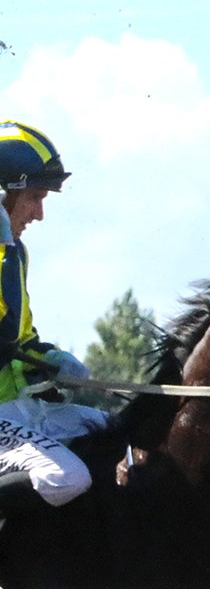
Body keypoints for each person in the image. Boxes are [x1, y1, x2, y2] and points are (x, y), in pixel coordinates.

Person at [0, 121, 106, 523]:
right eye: (34, 198)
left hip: (19, 409)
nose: (40, 214)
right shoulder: (9, 253)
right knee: (65, 477)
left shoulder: (16, 253)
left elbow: (21, 338)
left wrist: (52, 359)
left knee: (117, 431)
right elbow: (4, 334)